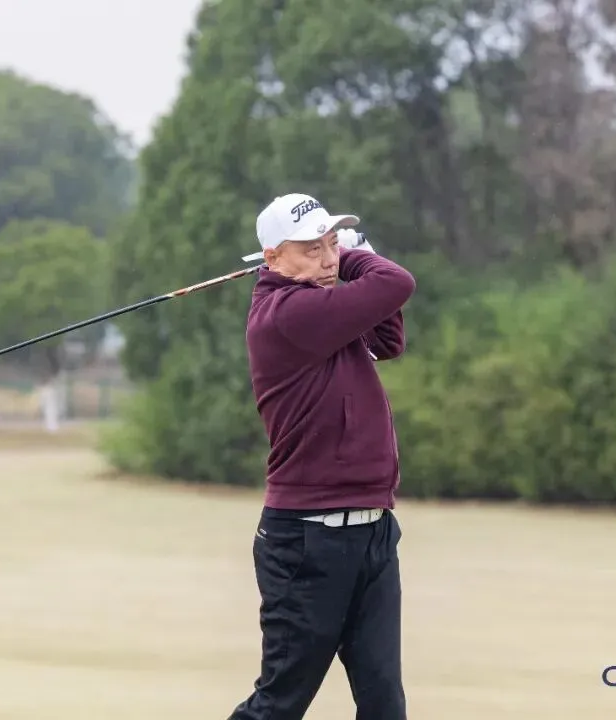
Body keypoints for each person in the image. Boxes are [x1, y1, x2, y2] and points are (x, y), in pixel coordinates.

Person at [229, 193, 416, 720]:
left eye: (331, 244)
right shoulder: (288, 314)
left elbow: (387, 338)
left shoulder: (322, 305)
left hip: (372, 531)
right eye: (312, 249)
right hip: (308, 541)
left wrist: (346, 256)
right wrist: (357, 255)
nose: (328, 258)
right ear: (273, 259)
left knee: (384, 703)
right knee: (280, 704)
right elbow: (396, 283)